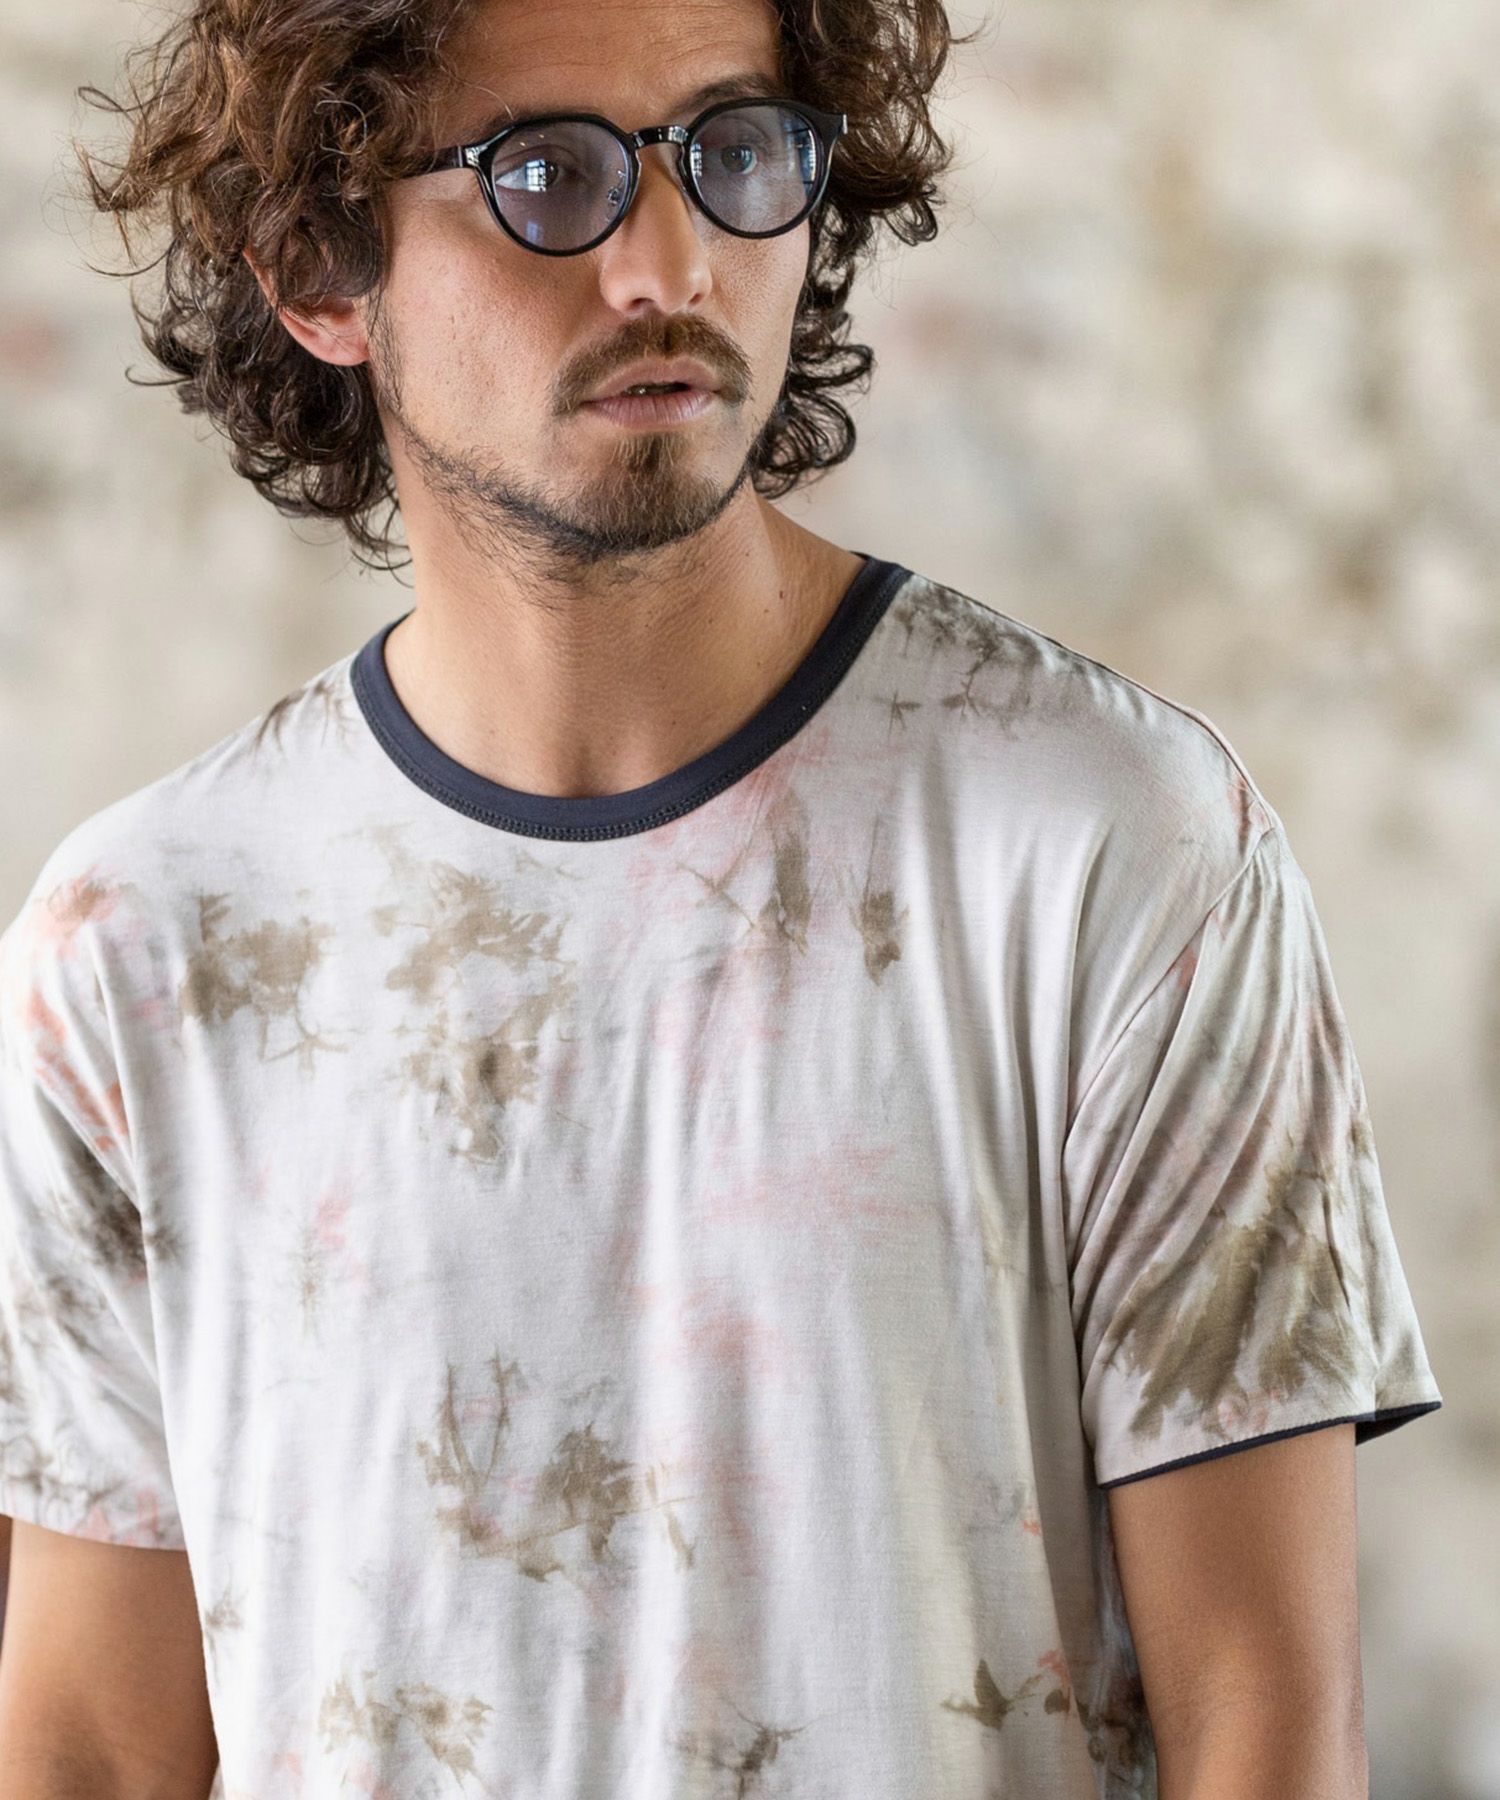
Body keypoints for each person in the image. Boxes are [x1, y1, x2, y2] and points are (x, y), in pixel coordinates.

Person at [0, 0, 1443, 1791]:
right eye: (549, 178)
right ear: (316, 267)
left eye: (736, 154)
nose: (670, 266)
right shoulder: (145, 946)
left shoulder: (1111, 853)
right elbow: (92, 1748)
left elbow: (1267, 1730)